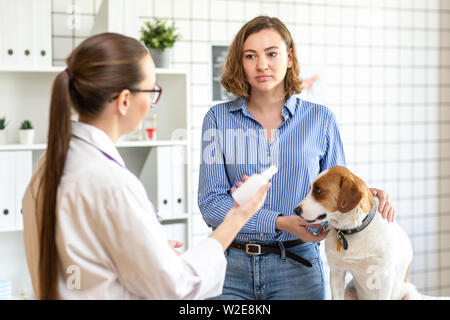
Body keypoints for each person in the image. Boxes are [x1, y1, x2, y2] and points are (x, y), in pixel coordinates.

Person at [22, 32, 270, 300]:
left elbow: (81, 257)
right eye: (152, 90)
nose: (152, 102)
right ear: (125, 100)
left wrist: (144, 251)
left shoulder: (52, 162)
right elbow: (176, 287)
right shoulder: (112, 184)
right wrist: (237, 218)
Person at [198, 16, 395, 300]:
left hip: (297, 268)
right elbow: (211, 205)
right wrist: (279, 222)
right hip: (229, 269)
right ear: (239, 62)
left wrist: (366, 198)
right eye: (250, 55)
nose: (261, 65)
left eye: (272, 53)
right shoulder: (217, 120)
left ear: (289, 58)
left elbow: (334, 200)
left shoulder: (321, 120)